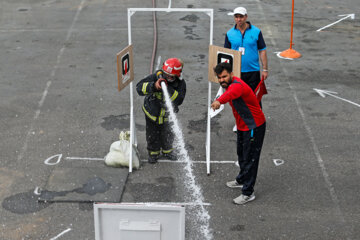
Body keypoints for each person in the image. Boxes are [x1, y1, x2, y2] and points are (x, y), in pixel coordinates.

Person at [211, 62, 266, 204]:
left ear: (231, 74)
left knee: (250, 159)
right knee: (241, 154)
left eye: (224, 76)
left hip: (254, 126)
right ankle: (242, 179)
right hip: (242, 126)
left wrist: (218, 101)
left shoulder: (236, 86)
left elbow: (230, 95)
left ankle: (248, 193)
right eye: (219, 77)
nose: (222, 80)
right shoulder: (229, 84)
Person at [224, 7, 268, 131]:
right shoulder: (229, 34)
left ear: (246, 17)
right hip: (236, 73)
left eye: (241, 17)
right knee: (237, 100)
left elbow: (262, 51)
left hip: (253, 72)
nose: (239, 19)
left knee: (255, 98)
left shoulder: (256, 32)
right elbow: (225, 53)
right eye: (236, 17)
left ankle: (258, 122)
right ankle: (240, 123)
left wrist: (265, 69)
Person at [136, 58, 186, 164]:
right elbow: (139, 88)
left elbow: (179, 100)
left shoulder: (181, 84)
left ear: (177, 76)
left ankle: (167, 151)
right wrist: (153, 86)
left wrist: (166, 88)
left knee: (168, 133)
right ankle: (153, 153)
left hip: (167, 115)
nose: (167, 77)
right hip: (152, 113)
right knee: (152, 134)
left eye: (170, 76)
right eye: (165, 74)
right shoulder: (156, 77)